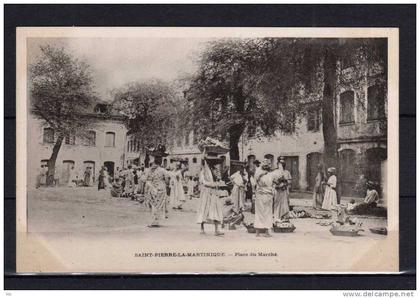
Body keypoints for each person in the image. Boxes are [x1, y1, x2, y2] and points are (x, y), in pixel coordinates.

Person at [196, 157, 225, 236]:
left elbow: (218, 180)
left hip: (214, 192)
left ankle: (216, 230)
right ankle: (202, 228)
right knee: (204, 208)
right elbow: (204, 182)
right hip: (206, 192)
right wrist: (212, 184)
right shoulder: (204, 172)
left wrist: (218, 181)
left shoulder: (215, 170)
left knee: (216, 209)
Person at [254, 158, 281, 237]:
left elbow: (275, 182)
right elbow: (276, 182)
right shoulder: (266, 174)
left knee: (262, 213)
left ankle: (260, 232)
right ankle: (263, 232)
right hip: (264, 195)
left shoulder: (264, 173)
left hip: (263, 195)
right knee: (265, 213)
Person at [144, 156, 171, 227]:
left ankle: (153, 221)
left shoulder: (150, 170)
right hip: (161, 188)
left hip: (152, 188)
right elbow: (167, 179)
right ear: (161, 162)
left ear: (154, 162)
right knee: (159, 205)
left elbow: (146, 180)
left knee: (152, 204)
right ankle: (157, 221)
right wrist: (166, 184)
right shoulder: (163, 170)